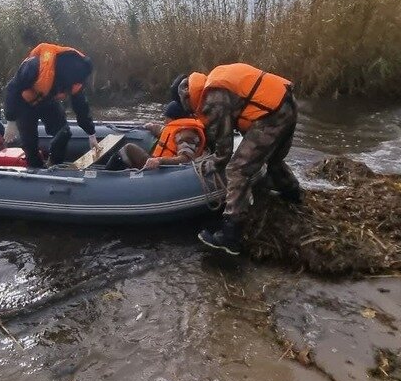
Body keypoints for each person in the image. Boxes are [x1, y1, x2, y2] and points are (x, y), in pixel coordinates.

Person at [173, 63, 302, 255]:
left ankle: (231, 234)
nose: (190, 112)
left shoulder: (212, 97)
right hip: (286, 103)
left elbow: (224, 149)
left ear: (186, 94)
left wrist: (212, 162)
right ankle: (293, 194)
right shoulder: (215, 81)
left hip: (272, 114)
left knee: (237, 169)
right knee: (273, 158)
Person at [4, 43, 98, 168]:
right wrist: (10, 120)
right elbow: (12, 89)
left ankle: (54, 164)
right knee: (30, 143)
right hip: (24, 104)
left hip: (47, 102)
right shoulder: (34, 66)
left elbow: (81, 106)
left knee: (64, 132)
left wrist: (91, 133)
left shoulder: (77, 78)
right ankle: (35, 170)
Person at [105, 101, 206, 170]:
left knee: (129, 148)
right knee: (127, 150)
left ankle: (107, 174)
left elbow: (185, 159)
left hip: (164, 169)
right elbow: (163, 132)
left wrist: (160, 160)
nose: (164, 121)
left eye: (166, 118)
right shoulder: (178, 128)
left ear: (172, 118)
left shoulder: (186, 133)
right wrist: (152, 126)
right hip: (159, 165)